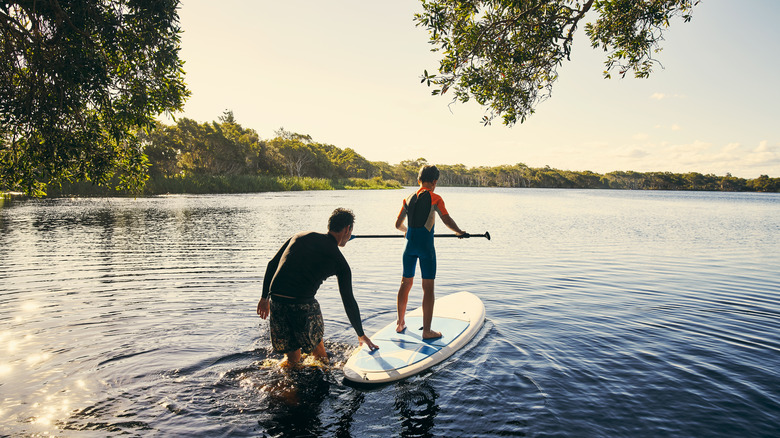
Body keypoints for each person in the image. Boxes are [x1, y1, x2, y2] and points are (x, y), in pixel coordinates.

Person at [257, 208, 378, 366]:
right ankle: (325, 374)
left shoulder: (300, 236)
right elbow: (348, 300)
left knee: (293, 359)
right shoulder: (339, 262)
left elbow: (272, 264)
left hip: (277, 302)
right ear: (348, 229)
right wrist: (361, 334)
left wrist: (264, 298)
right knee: (320, 355)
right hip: (302, 305)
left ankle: (289, 385)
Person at [395, 165, 467, 339]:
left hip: (409, 246)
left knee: (406, 284)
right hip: (426, 248)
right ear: (434, 182)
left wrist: (407, 231)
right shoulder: (436, 198)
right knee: (428, 288)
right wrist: (459, 232)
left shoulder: (407, 198)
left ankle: (400, 323)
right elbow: (446, 219)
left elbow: (397, 225)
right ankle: (427, 331)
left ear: (419, 180)